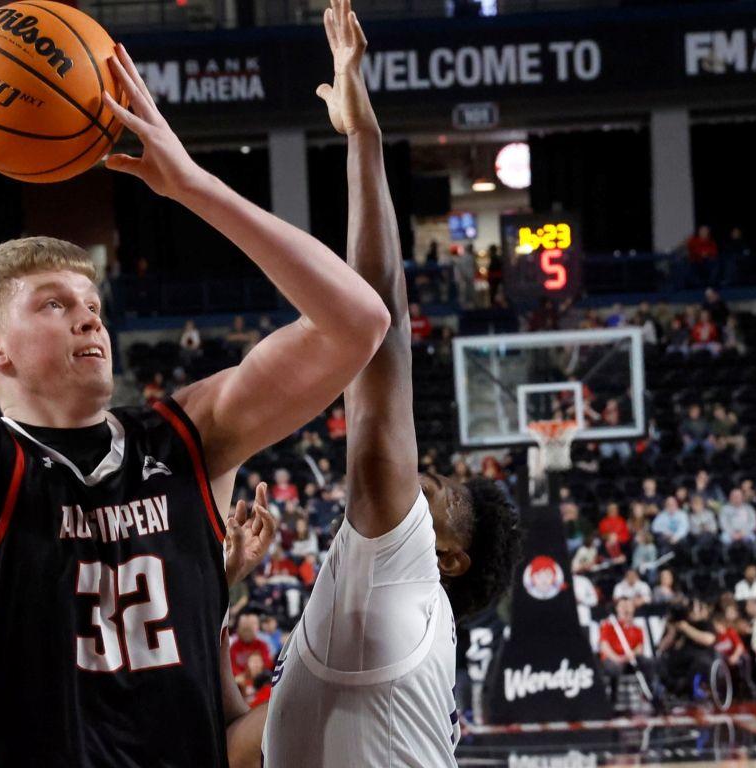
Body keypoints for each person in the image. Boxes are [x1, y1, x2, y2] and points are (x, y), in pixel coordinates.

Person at [0, 48, 390, 766]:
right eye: (54, 305)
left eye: (93, 305)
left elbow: (358, 323)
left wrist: (191, 184)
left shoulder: (186, 436)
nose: (89, 319)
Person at [233, 7, 522, 765]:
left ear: (449, 557)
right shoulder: (373, 616)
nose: (426, 475)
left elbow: (379, 329)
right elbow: (238, 744)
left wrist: (365, 140)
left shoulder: (402, 579)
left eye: (447, 496)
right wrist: (227, 592)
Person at [599, 598, 659, 710]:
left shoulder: (637, 629)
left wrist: (630, 655)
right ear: (617, 609)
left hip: (631, 659)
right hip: (613, 659)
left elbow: (639, 648)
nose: (626, 609)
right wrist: (618, 658)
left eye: (628, 606)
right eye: (623, 606)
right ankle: (613, 699)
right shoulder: (608, 625)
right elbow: (604, 647)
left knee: (648, 662)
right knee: (613, 668)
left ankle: (650, 693)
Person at [657, 599, 717, 698]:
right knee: (660, 662)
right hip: (678, 658)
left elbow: (708, 640)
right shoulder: (675, 624)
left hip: (699, 656)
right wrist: (672, 633)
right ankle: (667, 691)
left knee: (699, 662)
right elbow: (661, 648)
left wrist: (686, 628)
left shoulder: (705, 624)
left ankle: (695, 690)